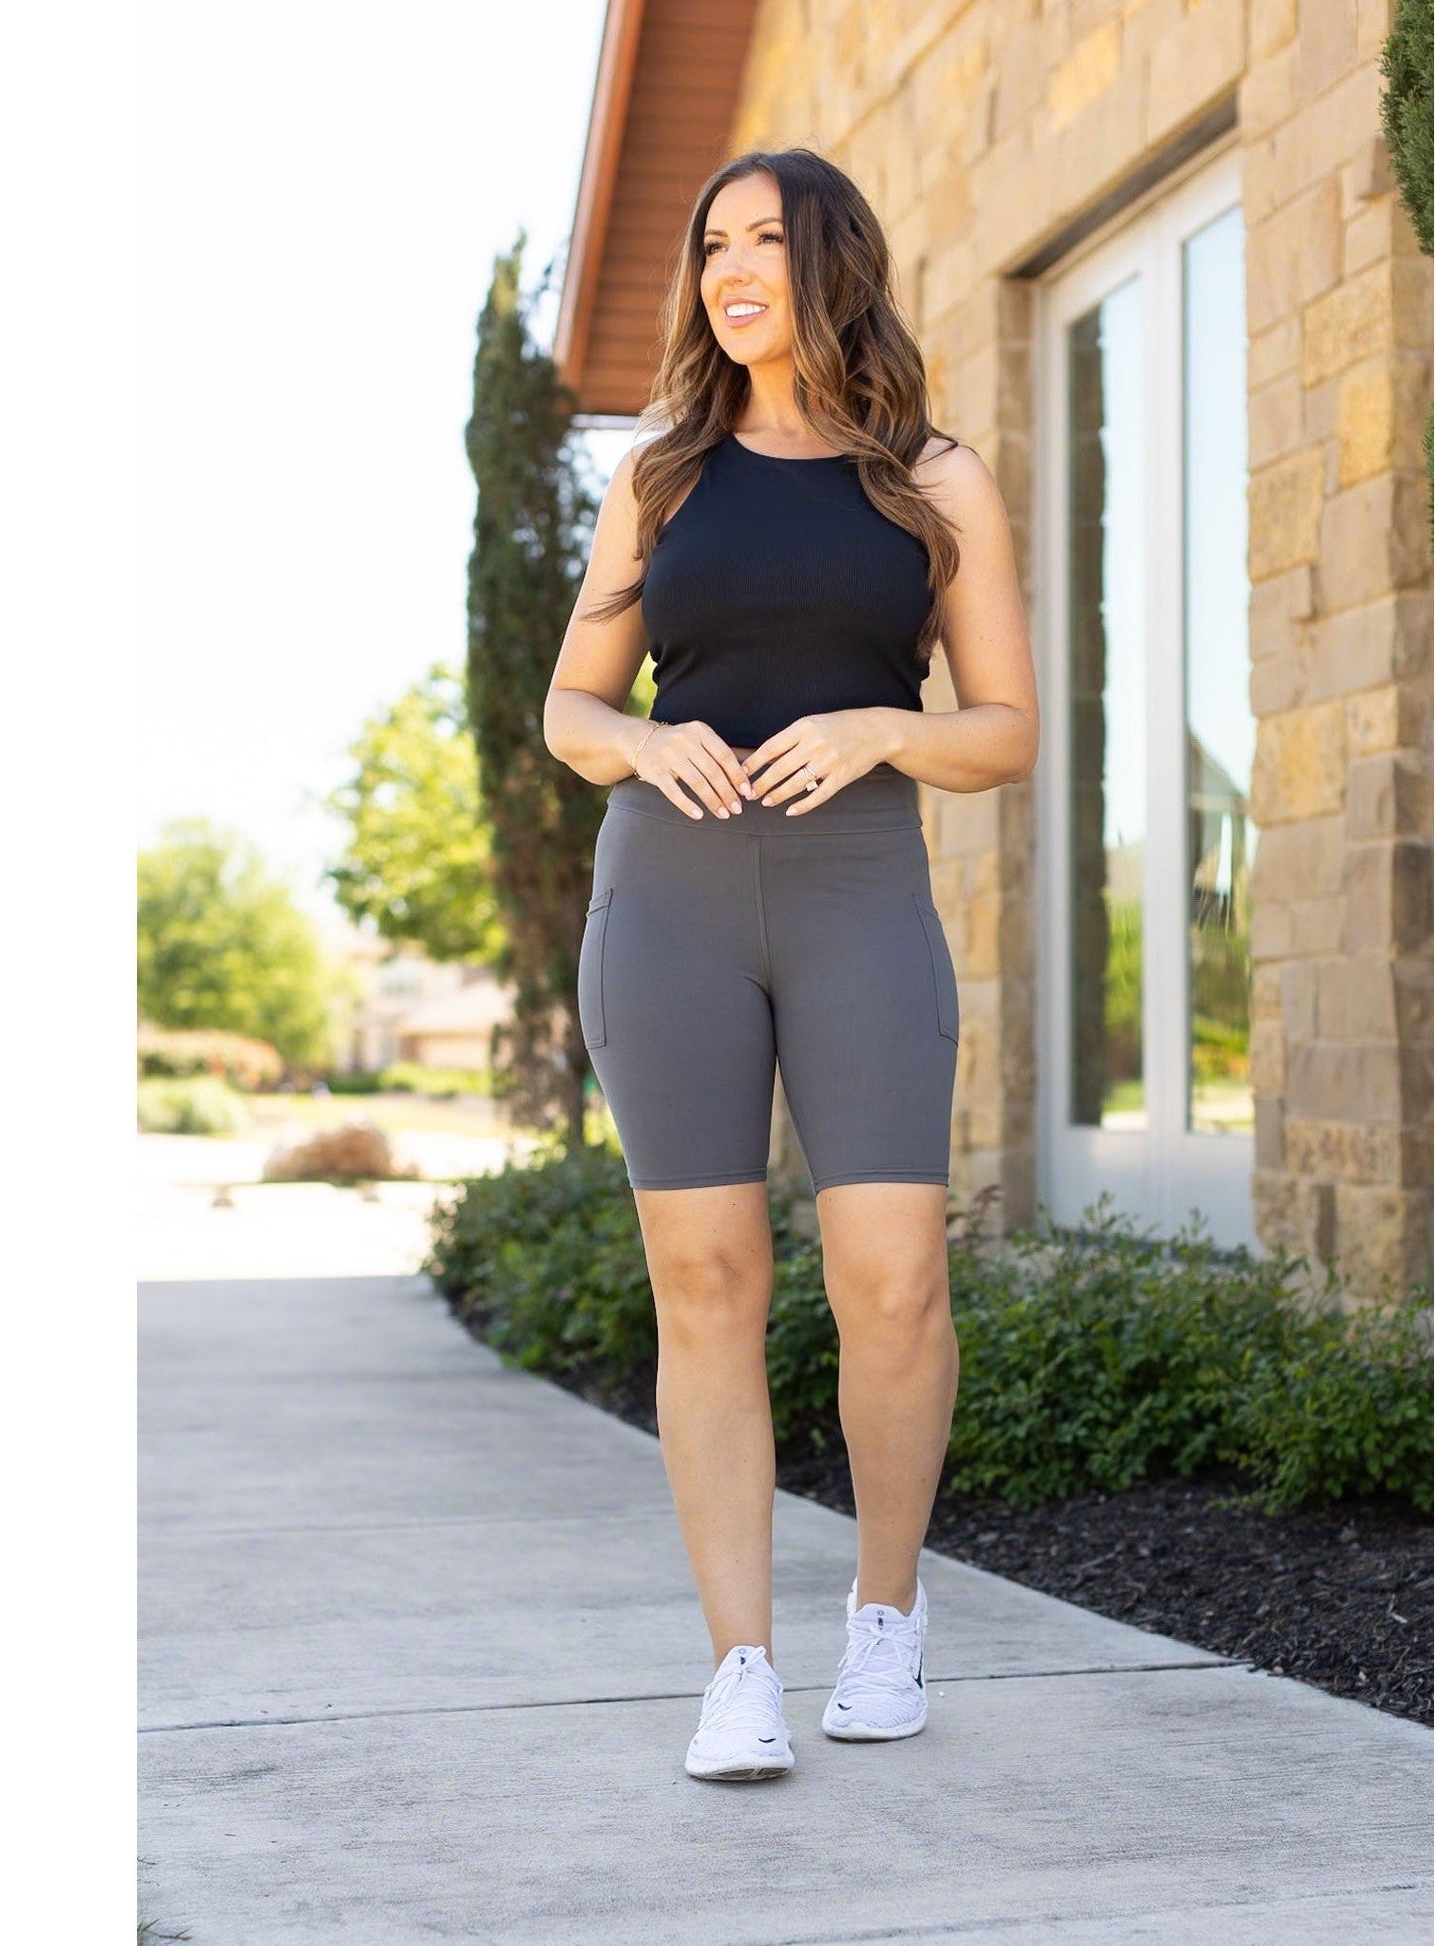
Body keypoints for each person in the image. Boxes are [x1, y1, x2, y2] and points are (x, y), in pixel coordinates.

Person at [542, 147, 1037, 1782]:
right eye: (711, 247)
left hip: (854, 888)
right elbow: (569, 706)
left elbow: (1004, 729)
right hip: (669, 894)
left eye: (763, 239)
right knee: (705, 1279)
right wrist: (638, 741)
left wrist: (887, 722)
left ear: (834, 262)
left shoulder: (932, 479)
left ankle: (884, 1614)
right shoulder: (660, 474)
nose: (731, 268)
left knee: (891, 1277)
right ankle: (737, 1665)